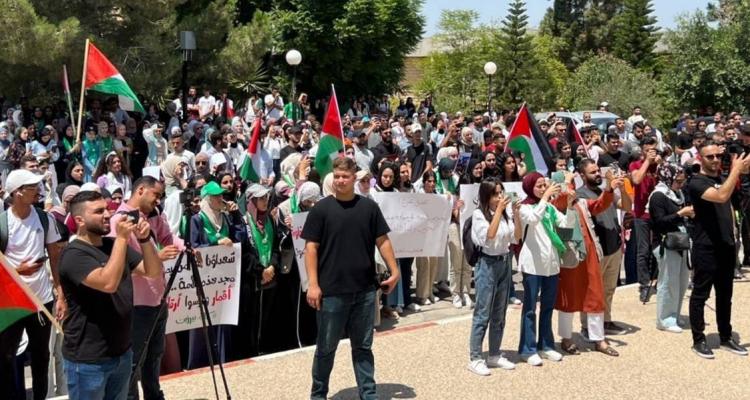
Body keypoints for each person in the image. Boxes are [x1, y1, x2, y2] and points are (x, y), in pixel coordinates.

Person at [302, 157, 400, 400]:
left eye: (345, 176)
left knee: (363, 347)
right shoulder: (320, 210)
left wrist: (394, 270)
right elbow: (310, 248)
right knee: (326, 349)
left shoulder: (369, 208)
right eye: (336, 176)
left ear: (354, 178)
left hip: (365, 290)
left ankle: (368, 394)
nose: (340, 180)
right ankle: (318, 395)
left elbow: (383, 240)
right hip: (331, 292)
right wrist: (313, 284)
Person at [59, 190, 162, 400]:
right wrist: (123, 238)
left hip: (121, 353)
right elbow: (108, 283)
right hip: (88, 360)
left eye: (107, 209)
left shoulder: (112, 245)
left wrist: (144, 240)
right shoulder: (73, 254)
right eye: (98, 211)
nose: (107, 215)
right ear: (79, 220)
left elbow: (152, 271)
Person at [107, 176, 178, 400]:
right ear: (140, 190)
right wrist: (157, 257)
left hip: (158, 297)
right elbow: (118, 263)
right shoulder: (119, 221)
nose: (158, 200)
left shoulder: (153, 215)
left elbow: (168, 238)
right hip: (137, 301)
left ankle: (154, 395)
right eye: (155, 195)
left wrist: (186, 248)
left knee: (155, 355)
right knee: (134, 360)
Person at [0, 170, 65, 400]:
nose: (38, 190)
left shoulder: (45, 219)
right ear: (17, 192)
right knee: (6, 355)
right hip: (11, 300)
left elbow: (55, 257)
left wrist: (60, 294)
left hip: (41, 298)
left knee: (41, 356)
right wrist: (19, 271)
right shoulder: (3, 223)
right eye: (32, 187)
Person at [687, 145, 750, 358]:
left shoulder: (724, 178)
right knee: (700, 294)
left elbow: (735, 203)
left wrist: (741, 172)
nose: (715, 159)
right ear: (701, 158)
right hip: (706, 247)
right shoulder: (696, 182)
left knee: (725, 295)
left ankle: (725, 336)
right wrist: (736, 170)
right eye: (710, 156)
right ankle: (698, 340)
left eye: (718, 156)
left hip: (726, 245)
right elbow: (721, 196)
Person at [553, 170, 620, 357]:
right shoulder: (556, 204)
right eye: (569, 182)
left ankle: (599, 339)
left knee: (595, 295)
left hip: (589, 254)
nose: (572, 185)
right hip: (570, 256)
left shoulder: (581, 202)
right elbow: (563, 199)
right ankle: (566, 338)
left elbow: (599, 205)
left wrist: (609, 189)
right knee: (568, 297)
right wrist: (567, 182)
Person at [517, 172, 575, 366]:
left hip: (551, 264)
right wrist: (545, 198)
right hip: (533, 265)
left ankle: (546, 345)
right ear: (530, 187)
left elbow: (565, 226)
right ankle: (528, 349)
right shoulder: (524, 207)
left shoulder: (549, 207)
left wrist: (569, 206)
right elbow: (533, 219)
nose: (543, 189)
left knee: (548, 307)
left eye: (545, 185)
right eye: (539, 186)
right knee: (530, 308)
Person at [467, 180, 522, 376]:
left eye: (501, 192)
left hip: (504, 262)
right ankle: (475, 357)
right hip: (487, 264)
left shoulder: (505, 214)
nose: (500, 197)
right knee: (483, 312)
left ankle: (494, 353)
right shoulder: (478, 215)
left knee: (500, 311)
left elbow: (516, 237)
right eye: (495, 194)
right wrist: (499, 211)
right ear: (486, 196)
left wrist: (515, 214)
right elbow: (488, 236)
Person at [577, 160, 632, 336]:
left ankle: (606, 321)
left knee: (608, 289)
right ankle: (587, 326)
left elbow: (626, 206)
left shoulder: (605, 191)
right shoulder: (580, 195)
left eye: (598, 170)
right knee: (590, 290)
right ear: (582, 175)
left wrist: (622, 189)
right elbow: (596, 207)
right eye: (592, 172)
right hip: (596, 249)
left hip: (613, 246)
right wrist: (609, 188)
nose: (597, 174)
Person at [649, 163, 693, 333]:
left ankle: (674, 314)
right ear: (668, 179)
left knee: (681, 281)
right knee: (668, 281)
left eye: (682, 181)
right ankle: (664, 319)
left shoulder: (677, 194)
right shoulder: (658, 196)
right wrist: (680, 214)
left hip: (681, 242)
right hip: (666, 243)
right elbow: (659, 222)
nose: (681, 184)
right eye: (678, 181)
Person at [629, 137, 661, 302]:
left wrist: (660, 164)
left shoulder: (660, 165)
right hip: (642, 214)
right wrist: (647, 162)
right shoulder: (635, 165)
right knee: (643, 251)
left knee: (659, 249)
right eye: (648, 150)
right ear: (642, 150)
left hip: (658, 213)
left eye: (653, 150)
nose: (651, 153)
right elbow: (636, 179)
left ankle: (659, 280)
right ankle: (643, 284)